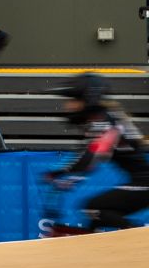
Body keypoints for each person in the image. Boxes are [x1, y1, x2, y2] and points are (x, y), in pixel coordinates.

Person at [47, 75, 149, 232]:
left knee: (93, 208)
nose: (68, 105)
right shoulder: (103, 118)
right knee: (97, 220)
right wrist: (67, 175)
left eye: (74, 99)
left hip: (144, 183)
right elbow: (86, 158)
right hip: (141, 182)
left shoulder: (103, 121)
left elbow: (90, 159)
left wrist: (59, 173)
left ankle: (141, 239)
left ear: (88, 98)